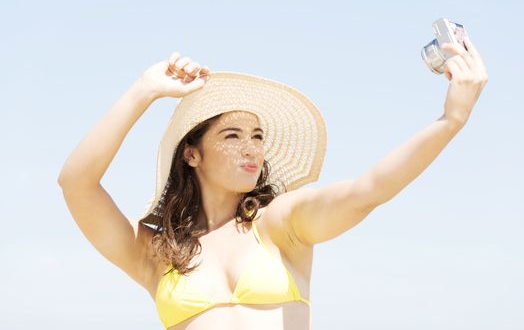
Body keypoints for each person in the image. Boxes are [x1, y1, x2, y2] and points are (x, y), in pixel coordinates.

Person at [57, 38, 488, 330]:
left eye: (257, 136)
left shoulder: (279, 224)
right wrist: (143, 91)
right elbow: (76, 183)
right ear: (192, 154)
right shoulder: (156, 252)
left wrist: (451, 121)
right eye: (232, 135)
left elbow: (367, 190)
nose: (251, 149)